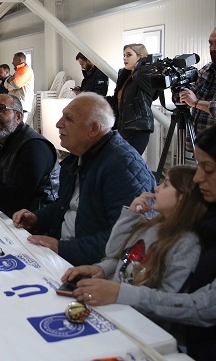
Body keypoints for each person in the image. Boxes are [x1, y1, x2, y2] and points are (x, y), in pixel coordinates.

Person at [72, 121, 216, 361]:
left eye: (208, 169)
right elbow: (147, 257)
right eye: (199, 166)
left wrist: (122, 293)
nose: (198, 178)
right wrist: (104, 268)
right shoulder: (210, 207)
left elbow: (210, 306)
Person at [12, 93, 155, 265]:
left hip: (92, 269)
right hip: (66, 256)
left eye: (69, 119)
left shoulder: (122, 166)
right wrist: (37, 219)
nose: (58, 124)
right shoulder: (79, 157)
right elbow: (68, 206)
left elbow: (129, 237)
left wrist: (62, 248)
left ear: (93, 129)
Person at [64, 165, 207, 316]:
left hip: (139, 318)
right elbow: (114, 252)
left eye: (165, 185)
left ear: (183, 198)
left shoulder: (187, 244)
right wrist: (130, 215)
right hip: (113, 307)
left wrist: (120, 293)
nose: (157, 188)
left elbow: (171, 298)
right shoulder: (151, 225)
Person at [105, 43, 157, 155]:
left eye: (129, 55)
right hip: (124, 127)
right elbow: (119, 99)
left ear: (140, 56)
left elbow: (153, 90)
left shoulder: (145, 74)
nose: (124, 58)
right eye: (124, 55)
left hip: (139, 129)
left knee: (129, 164)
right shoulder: (126, 75)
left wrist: (142, 64)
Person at [3, 52, 34, 118]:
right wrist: (9, 81)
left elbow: (16, 85)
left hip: (23, 106)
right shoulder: (18, 71)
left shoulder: (26, 70)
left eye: (14, 60)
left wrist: (9, 83)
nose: (12, 62)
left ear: (20, 60)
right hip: (16, 105)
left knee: (20, 126)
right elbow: (6, 83)